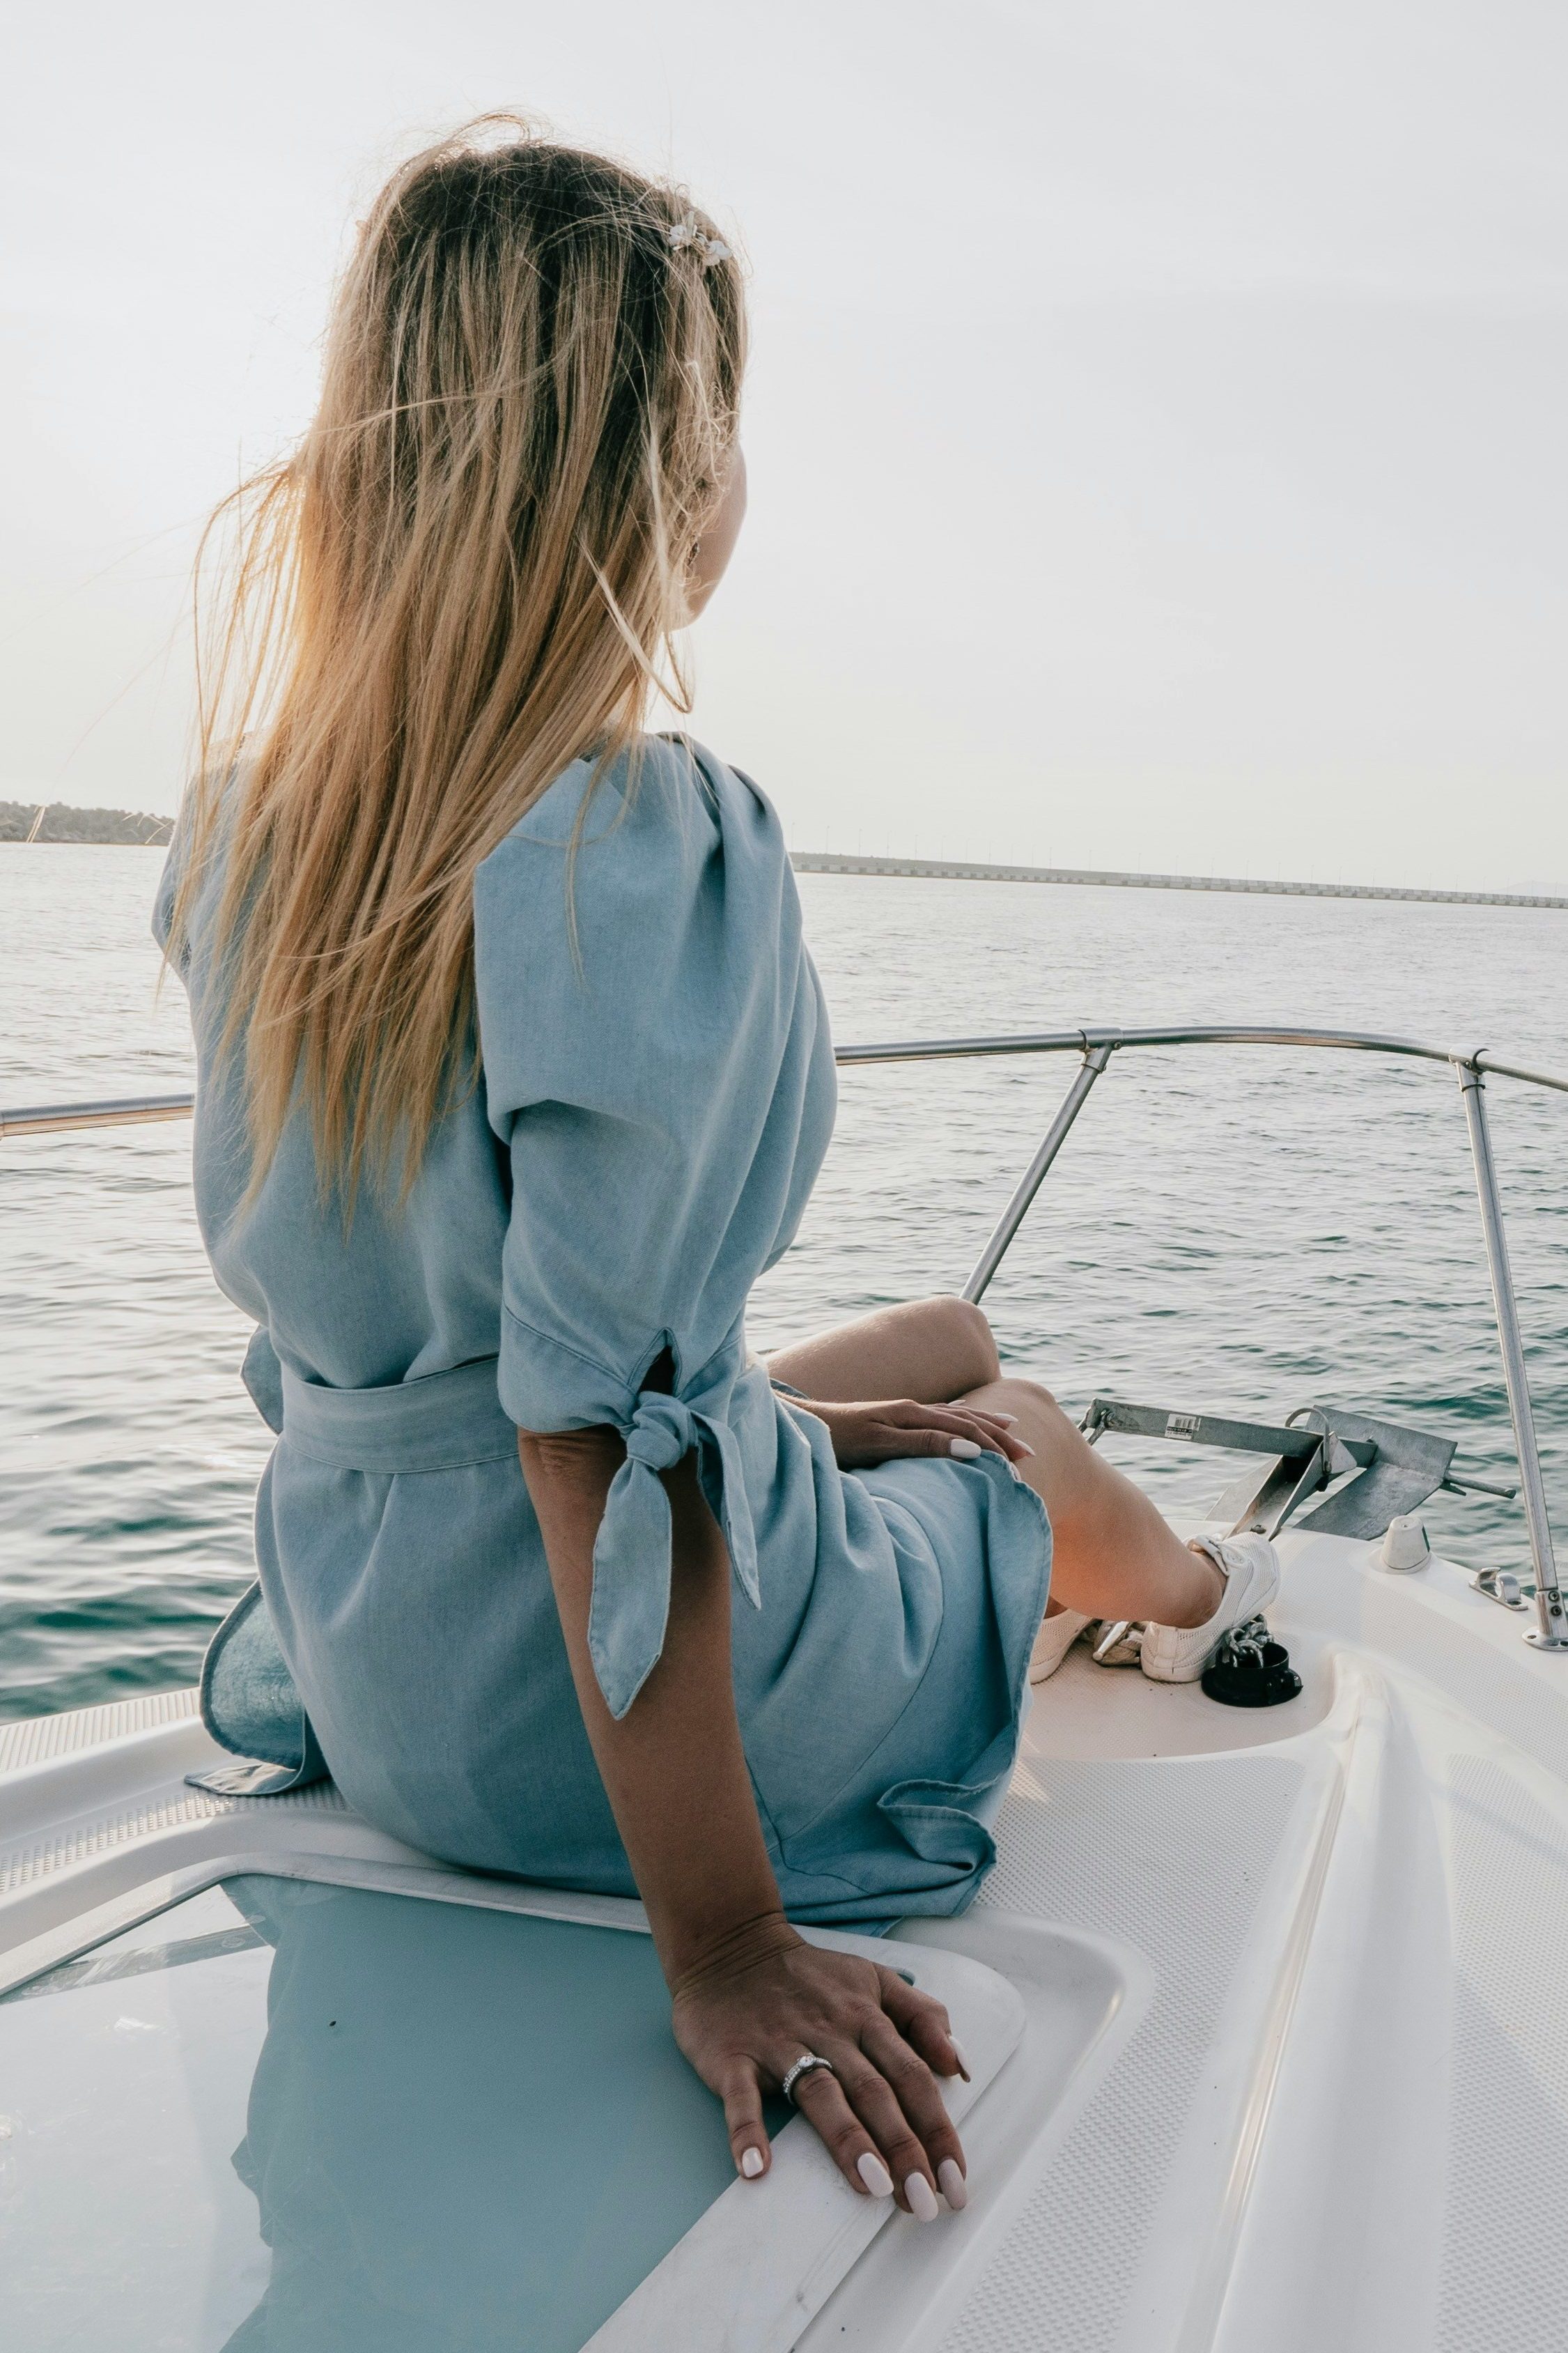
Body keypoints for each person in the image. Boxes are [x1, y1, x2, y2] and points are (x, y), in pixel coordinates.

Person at [157, 118, 1278, 2226]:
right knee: (1004, 1430)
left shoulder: (253, 843)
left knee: (925, 1338)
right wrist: (727, 1944)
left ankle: (974, 1472)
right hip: (589, 1729)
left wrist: (780, 1422)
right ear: (673, 476)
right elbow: (605, 1450)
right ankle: (1217, 1598)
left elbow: (535, 1379)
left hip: (382, 1661)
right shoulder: (642, 846)